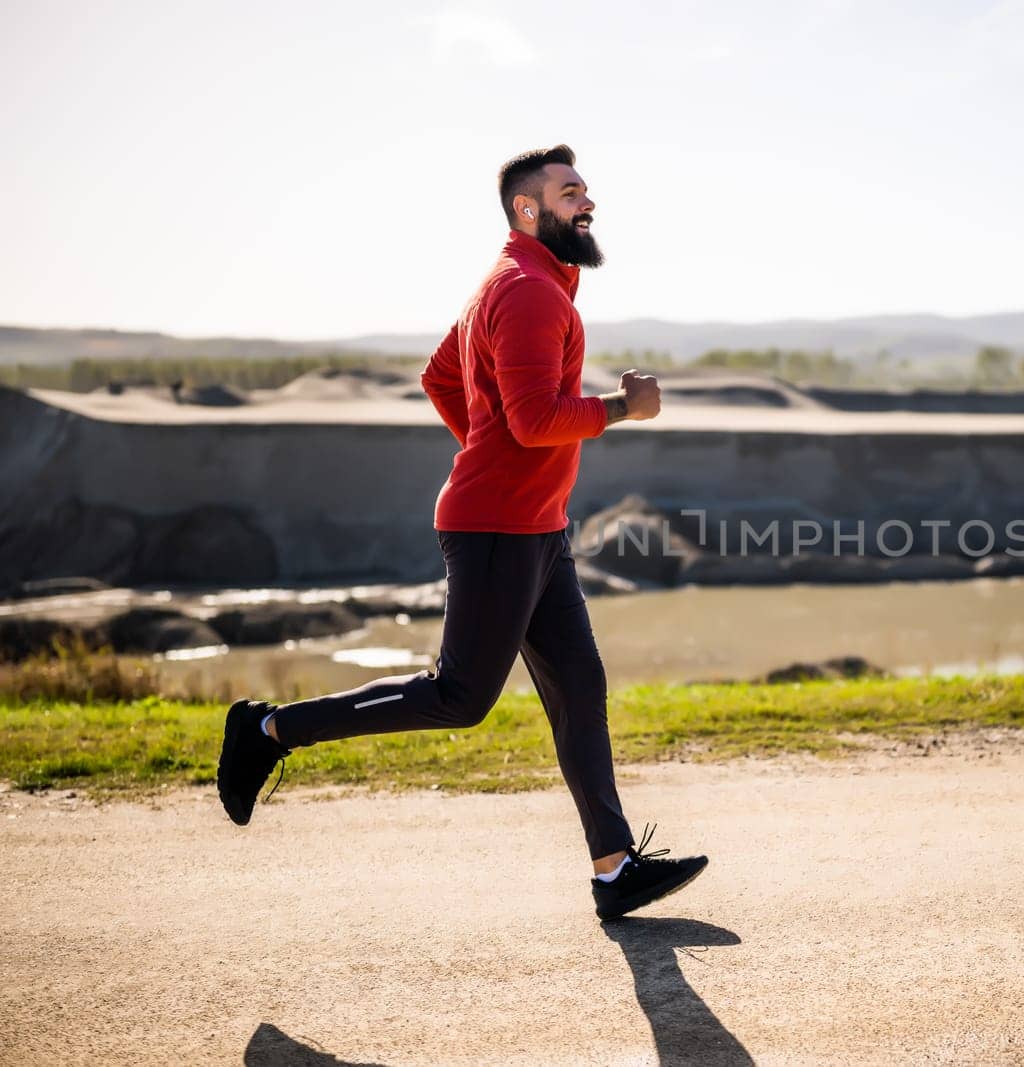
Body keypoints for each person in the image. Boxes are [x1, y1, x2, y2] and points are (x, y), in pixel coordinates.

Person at [215, 145, 707, 922]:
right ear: (528, 209)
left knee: (579, 686)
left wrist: (491, 450)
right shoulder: (529, 292)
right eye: (570, 191)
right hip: (497, 529)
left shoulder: (516, 282)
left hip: (535, 527)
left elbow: (442, 378)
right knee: (458, 695)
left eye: (586, 190)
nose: (588, 202)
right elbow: (537, 418)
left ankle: (615, 869)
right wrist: (620, 407)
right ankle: (267, 728)